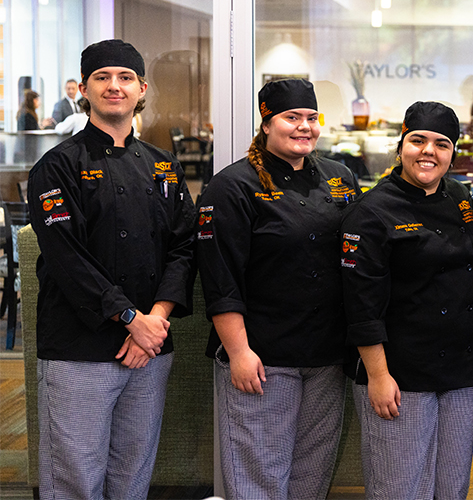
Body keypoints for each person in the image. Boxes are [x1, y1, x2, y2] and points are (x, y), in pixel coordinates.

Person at [27, 39, 196, 500]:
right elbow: (67, 258)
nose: (114, 87)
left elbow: (184, 246)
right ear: (84, 89)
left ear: (142, 89)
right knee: (75, 478)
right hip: (79, 347)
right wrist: (130, 319)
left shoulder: (163, 165)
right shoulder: (57, 167)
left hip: (149, 349)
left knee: (132, 474)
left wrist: (155, 321)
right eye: (102, 78)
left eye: (125, 78)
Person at [197, 79, 359, 499]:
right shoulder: (232, 186)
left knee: (312, 476)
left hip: (325, 355)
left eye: (311, 118)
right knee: (258, 478)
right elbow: (220, 278)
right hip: (262, 357)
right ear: (266, 123)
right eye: (291, 118)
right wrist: (238, 352)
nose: (304, 127)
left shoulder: (340, 179)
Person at [341, 101, 473, 500]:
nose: (428, 152)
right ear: (401, 145)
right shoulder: (371, 211)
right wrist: (379, 376)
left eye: (441, 144)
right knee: (399, 488)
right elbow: (361, 302)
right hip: (399, 372)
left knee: (452, 487)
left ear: (453, 152)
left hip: (458, 372)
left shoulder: (459, 198)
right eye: (418, 140)